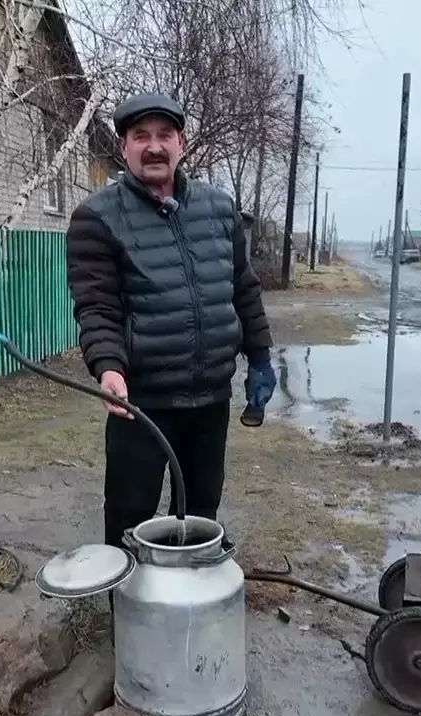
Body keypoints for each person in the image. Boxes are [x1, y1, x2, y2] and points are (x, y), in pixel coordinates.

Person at [65, 91, 277, 554]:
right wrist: (109, 368)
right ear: (124, 148)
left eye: (165, 134)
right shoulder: (96, 219)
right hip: (142, 404)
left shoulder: (220, 210)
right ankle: (128, 615)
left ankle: (191, 609)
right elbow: (97, 307)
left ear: (181, 142)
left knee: (202, 513)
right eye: (141, 136)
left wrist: (260, 357)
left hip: (210, 401)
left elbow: (244, 288)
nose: (154, 146)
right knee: (129, 515)